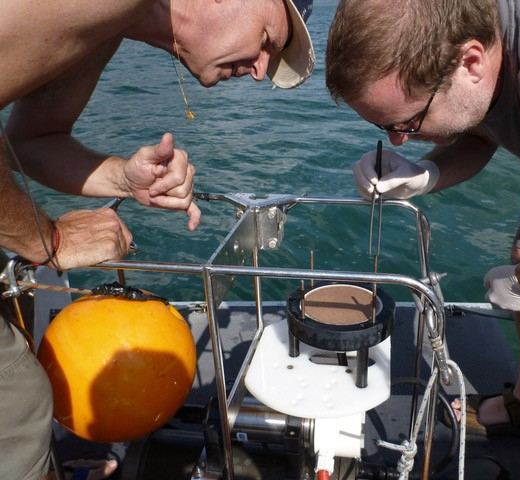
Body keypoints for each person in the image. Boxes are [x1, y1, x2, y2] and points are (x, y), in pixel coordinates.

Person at [325, 0, 520, 478]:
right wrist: (426, 173)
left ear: (470, 62)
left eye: (405, 124)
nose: (396, 142)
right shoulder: (470, 36)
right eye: (382, 127)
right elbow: (481, 124)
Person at [0, 0, 315, 478]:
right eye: (269, 39)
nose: (260, 70)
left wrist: (123, 180)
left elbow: (32, 139)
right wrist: (50, 240)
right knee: (18, 396)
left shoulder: (108, 27)